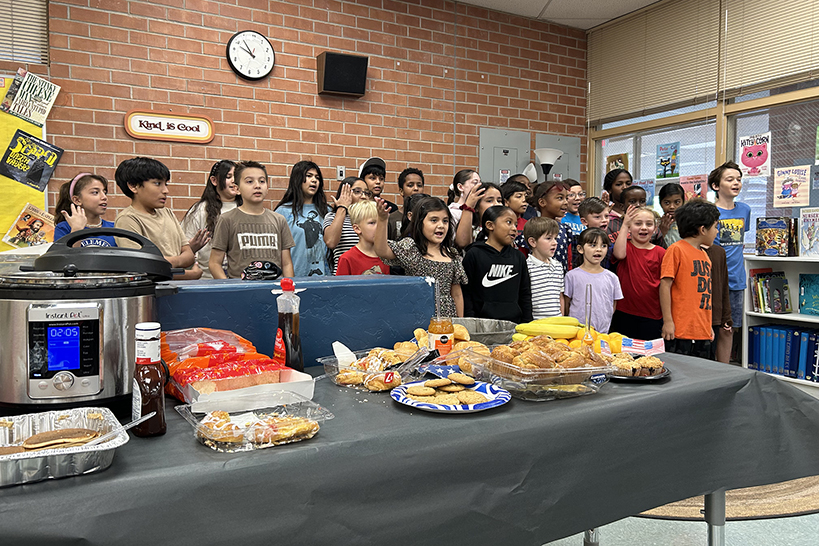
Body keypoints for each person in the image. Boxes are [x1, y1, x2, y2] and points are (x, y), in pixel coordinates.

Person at [113, 157, 205, 280]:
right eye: (157, 184)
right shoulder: (127, 220)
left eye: (165, 184)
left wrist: (167, 264)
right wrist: (187, 273)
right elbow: (142, 267)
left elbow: (188, 255)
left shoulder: (167, 213)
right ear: (133, 186)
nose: (166, 190)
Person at [374, 195, 467, 317]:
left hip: (446, 319)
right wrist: (382, 220)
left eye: (445, 220)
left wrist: (460, 324)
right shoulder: (411, 248)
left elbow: (457, 294)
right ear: (419, 222)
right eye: (434, 220)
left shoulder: (452, 254)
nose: (441, 225)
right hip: (417, 315)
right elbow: (381, 250)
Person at [209, 160, 295, 279]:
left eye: (262, 181)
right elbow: (214, 263)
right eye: (249, 181)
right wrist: (231, 289)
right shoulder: (227, 220)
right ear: (237, 188)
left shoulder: (279, 220)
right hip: (241, 292)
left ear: (267, 187)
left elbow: (286, 263)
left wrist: (288, 290)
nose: (257, 185)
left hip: (274, 290)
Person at [660, 198, 721, 357]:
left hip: (702, 332)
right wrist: (668, 321)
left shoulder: (705, 255)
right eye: (715, 227)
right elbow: (665, 285)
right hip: (680, 331)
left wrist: (708, 327)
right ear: (702, 229)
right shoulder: (676, 250)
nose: (717, 231)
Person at [462, 205, 532, 323]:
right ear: (490, 225)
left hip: (514, 324)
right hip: (482, 325)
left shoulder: (519, 257)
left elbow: (525, 293)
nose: (514, 228)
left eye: (515, 224)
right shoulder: (474, 254)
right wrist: (471, 321)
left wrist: (526, 323)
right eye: (509, 222)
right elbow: (466, 293)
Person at [709, 160, 751, 353]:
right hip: (713, 278)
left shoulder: (744, 209)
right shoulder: (710, 212)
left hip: (736, 278)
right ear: (716, 186)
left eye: (739, 179)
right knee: (711, 326)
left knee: (729, 328)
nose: (736, 183)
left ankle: (725, 369)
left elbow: (740, 242)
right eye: (730, 179)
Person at [610, 206, 666, 340]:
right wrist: (625, 225)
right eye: (638, 223)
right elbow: (619, 254)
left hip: (652, 313)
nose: (644, 227)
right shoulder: (625, 247)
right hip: (625, 312)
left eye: (649, 224)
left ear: (655, 228)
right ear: (629, 227)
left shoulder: (661, 252)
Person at [181, 160, 240, 278]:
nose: (234, 180)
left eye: (237, 177)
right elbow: (185, 244)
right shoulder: (200, 209)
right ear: (214, 180)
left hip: (241, 279)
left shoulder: (245, 208)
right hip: (206, 279)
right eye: (228, 176)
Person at [275, 160, 331, 277]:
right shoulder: (283, 211)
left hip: (325, 279)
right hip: (295, 278)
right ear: (297, 179)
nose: (314, 180)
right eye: (309, 176)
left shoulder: (327, 211)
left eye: (317, 177)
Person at [563, 227, 623, 334]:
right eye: (593, 245)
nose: (599, 249)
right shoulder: (572, 276)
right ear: (580, 249)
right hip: (577, 331)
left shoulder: (612, 277)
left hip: (602, 332)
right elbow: (567, 304)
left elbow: (612, 304)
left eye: (603, 246)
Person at [53, 172, 116, 247]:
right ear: (77, 200)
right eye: (95, 192)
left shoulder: (114, 228)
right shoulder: (64, 228)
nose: (104, 197)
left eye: (105, 192)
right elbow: (66, 257)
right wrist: (77, 230)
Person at [323, 176, 372, 274]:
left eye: (366, 192)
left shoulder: (372, 219)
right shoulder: (333, 216)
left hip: (369, 275)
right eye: (357, 191)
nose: (363, 196)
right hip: (343, 276)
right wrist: (342, 207)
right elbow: (330, 242)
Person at [524, 217, 565, 319]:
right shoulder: (526, 267)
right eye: (548, 238)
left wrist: (562, 319)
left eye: (555, 238)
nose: (555, 242)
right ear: (533, 242)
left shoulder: (558, 266)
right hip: (536, 324)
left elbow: (560, 297)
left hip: (557, 324)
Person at [336, 200, 389, 275]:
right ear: (357, 228)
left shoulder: (388, 256)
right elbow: (341, 286)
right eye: (372, 223)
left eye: (380, 222)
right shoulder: (347, 259)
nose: (378, 227)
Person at [532, 180, 572, 273]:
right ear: (542, 202)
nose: (566, 202)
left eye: (566, 198)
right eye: (560, 198)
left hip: (561, 282)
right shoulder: (532, 228)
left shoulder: (565, 229)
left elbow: (569, 261)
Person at [706, 243, 733, 363]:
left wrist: (726, 316)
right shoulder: (682, 250)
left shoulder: (719, 252)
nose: (716, 231)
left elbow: (724, 286)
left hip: (716, 312)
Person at [454, 182, 502, 248]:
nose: (496, 204)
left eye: (499, 201)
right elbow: (462, 243)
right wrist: (469, 206)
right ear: (476, 206)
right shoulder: (472, 229)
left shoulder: (504, 227)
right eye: (489, 201)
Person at [388, 168, 424, 238]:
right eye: (410, 185)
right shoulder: (392, 218)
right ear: (401, 191)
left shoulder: (427, 217)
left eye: (419, 185)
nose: (416, 188)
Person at [501, 179, 529, 252]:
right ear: (506, 202)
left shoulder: (529, 224)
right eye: (519, 196)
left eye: (525, 196)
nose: (524, 200)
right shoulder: (499, 224)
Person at [658, 182, 684, 247]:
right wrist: (661, 232)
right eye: (667, 203)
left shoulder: (688, 224)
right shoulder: (654, 224)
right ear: (660, 203)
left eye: (677, 202)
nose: (672, 206)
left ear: (683, 202)